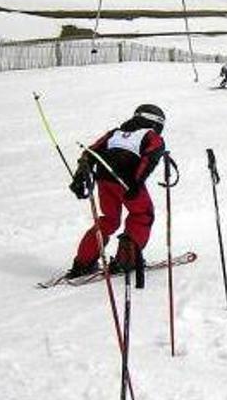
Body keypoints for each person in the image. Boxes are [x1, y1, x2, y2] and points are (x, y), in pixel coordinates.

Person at [65, 104, 167, 279]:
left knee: (109, 220)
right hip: (128, 182)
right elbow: (149, 160)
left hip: (105, 180)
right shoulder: (151, 136)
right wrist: (136, 183)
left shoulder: (115, 133)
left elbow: (90, 154)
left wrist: (79, 177)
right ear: (155, 123)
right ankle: (127, 260)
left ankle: (83, 263)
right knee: (142, 215)